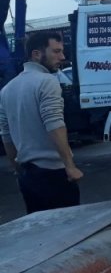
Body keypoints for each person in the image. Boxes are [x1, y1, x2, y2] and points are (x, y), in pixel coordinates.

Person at [0, 32, 83, 214]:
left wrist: (17, 169)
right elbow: (54, 124)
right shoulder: (47, 82)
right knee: (69, 232)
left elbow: (6, 135)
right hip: (54, 174)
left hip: (28, 178)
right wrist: (69, 166)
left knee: (42, 235)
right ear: (37, 54)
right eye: (56, 51)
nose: (62, 57)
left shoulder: (7, 90)